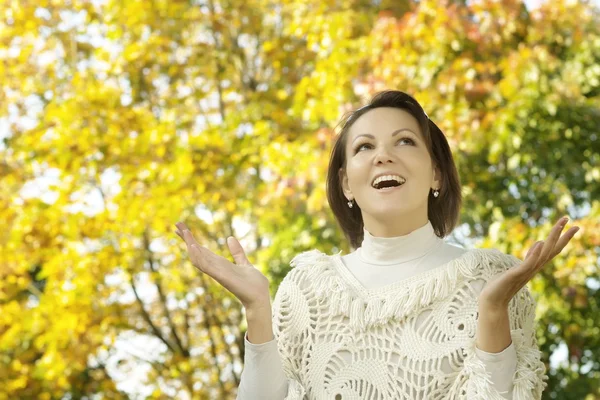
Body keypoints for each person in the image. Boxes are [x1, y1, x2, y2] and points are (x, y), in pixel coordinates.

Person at [175, 90, 580, 399]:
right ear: (346, 184)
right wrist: (257, 311)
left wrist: (493, 311)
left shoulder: (493, 280)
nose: (383, 156)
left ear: (437, 174)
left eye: (404, 141)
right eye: (364, 147)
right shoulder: (305, 291)